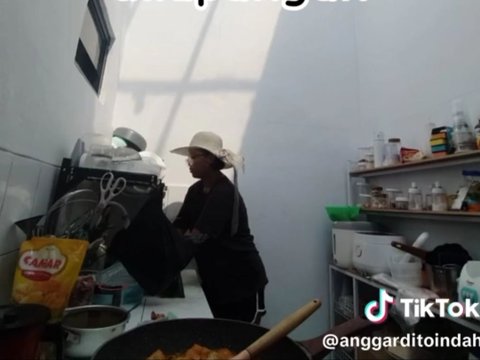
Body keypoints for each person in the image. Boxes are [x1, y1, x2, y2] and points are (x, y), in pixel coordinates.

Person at [171, 131, 268, 323]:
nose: (188, 163)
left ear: (208, 159)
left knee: (238, 340)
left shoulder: (224, 193)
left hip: (241, 282)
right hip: (216, 279)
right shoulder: (195, 191)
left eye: (192, 157)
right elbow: (179, 229)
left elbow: (195, 238)